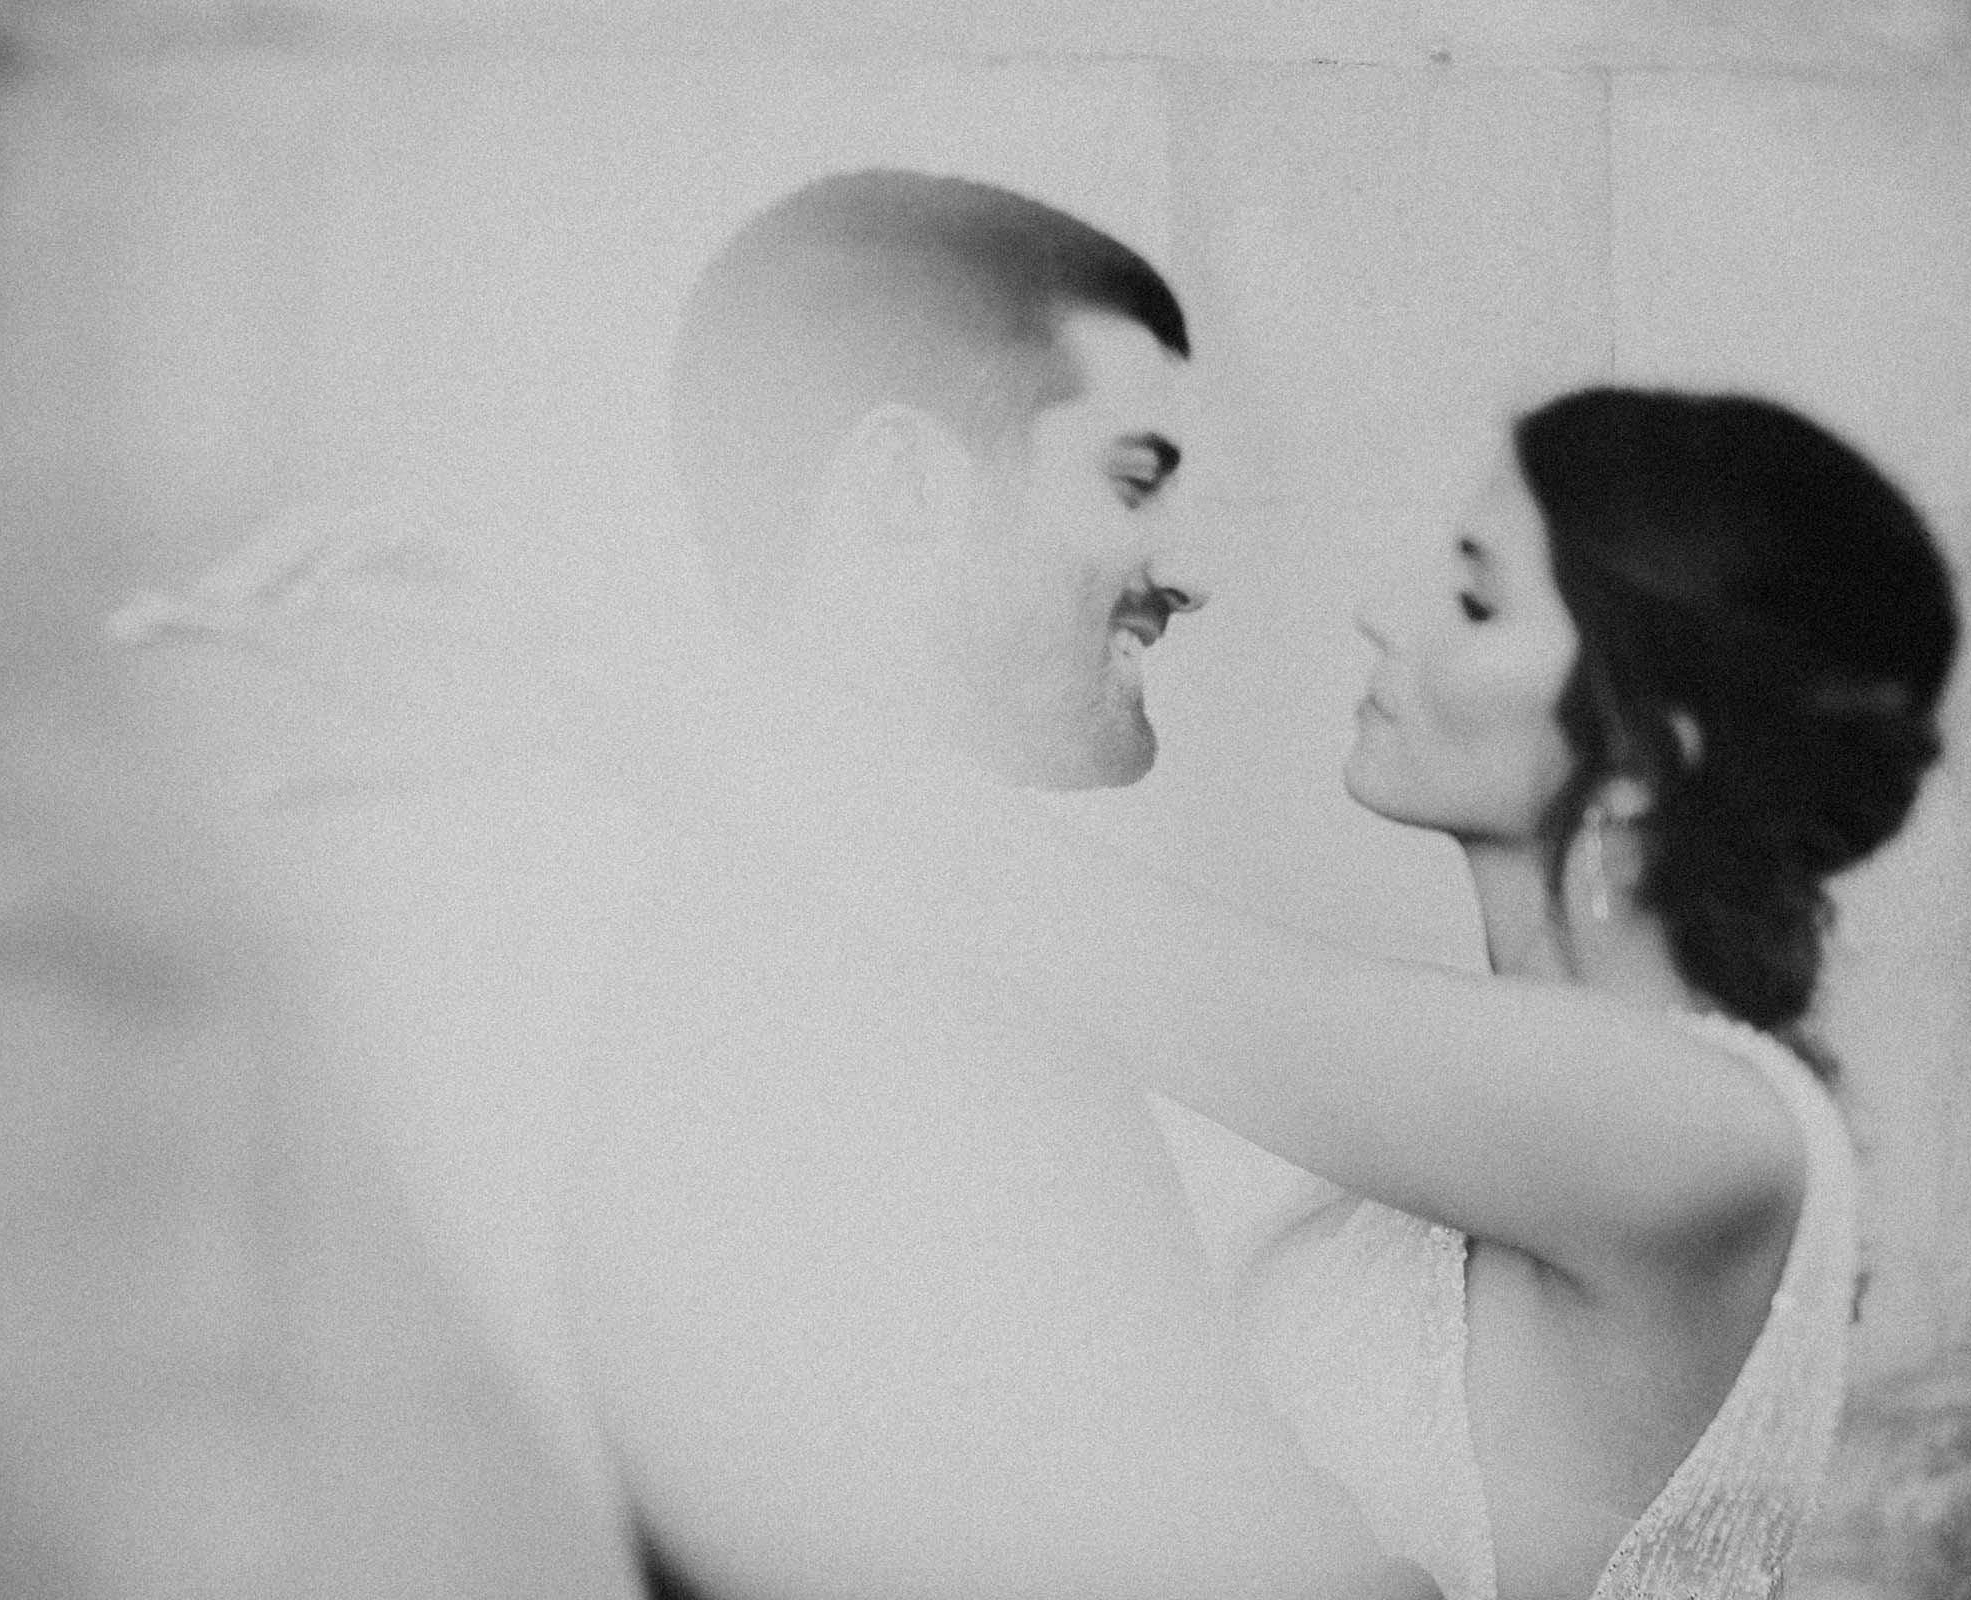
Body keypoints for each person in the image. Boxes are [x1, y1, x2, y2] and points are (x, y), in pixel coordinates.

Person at [925, 387, 1956, 1598]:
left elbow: (1024, 911)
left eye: (1477, 597)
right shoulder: (1527, 1115)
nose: (1380, 617)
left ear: (1638, 756)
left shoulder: (1702, 1128)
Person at [572, 167, 1434, 1600]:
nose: (1190, 574)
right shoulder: (855, 985)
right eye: (1134, 477)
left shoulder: (797, 923)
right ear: (907, 482)